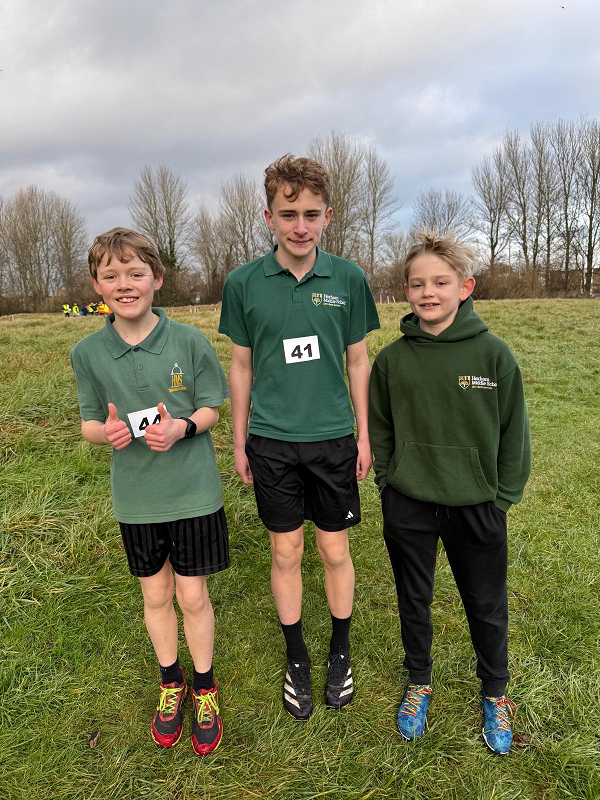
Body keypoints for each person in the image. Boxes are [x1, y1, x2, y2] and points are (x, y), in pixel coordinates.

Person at [219, 154, 380, 719]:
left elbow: (357, 361)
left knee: (334, 549)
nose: (300, 226)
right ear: (269, 217)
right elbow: (241, 367)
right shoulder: (242, 284)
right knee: (285, 550)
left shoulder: (349, 279)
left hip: (333, 438)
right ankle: (297, 657)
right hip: (272, 442)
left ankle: (340, 651)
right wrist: (239, 441)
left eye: (312, 214)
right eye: (288, 215)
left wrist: (363, 436)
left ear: (328, 216)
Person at [368, 231, 531, 754]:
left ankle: (495, 692)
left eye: (440, 282)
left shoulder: (494, 355)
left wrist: (500, 498)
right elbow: (380, 427)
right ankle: (419, 680)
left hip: (477, 506)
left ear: (465, 288)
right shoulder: (391, 361)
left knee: (486, 604)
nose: (428, 292)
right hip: (409, 503)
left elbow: (514, 433)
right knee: (414, 599)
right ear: (406, 291)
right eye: (418, 284)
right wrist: (389, 483)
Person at [70, 227, 230, 756]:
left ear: (157, 279)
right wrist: (107, 433)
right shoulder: (87, 353)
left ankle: (204, 687)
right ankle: (170, 681)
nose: (125, 284)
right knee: (156, 594)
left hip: (192, 492)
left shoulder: (188, 341)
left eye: (135, 273)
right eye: (111, 275)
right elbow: (89, 422)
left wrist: (183, 427)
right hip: (137, 499)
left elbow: (212, 406)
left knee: (192, 594)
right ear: (97, 285)